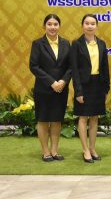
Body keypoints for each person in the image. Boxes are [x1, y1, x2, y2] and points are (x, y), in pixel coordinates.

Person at [29, 14, 71, 162]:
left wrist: (63, 81)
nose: (52, 27)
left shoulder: (66, 44)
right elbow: (34, 66)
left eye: (55, 24)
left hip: (61, 88)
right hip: (44, 89)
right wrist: (52, 82)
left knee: (57, 120)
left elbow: (70, 67)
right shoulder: (37, 44)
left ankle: (54, 150)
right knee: (43, 119)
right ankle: (45, 151)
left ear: (59, 26)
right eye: (49, 24)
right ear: (44, 26)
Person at [70, 14, 110, 163]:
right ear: (82, 26)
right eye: (87, 23)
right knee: (83, 117)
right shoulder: (76, 44)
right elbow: (74, 69)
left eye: (93, 23)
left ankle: (92, 148)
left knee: (94, 117)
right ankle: (85, 149)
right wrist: (78, 91)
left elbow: (105, 67)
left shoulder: (101, 43)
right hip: (83, 85)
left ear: (96, 26)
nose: (90, 26)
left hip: (98, 84)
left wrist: (106, 88)